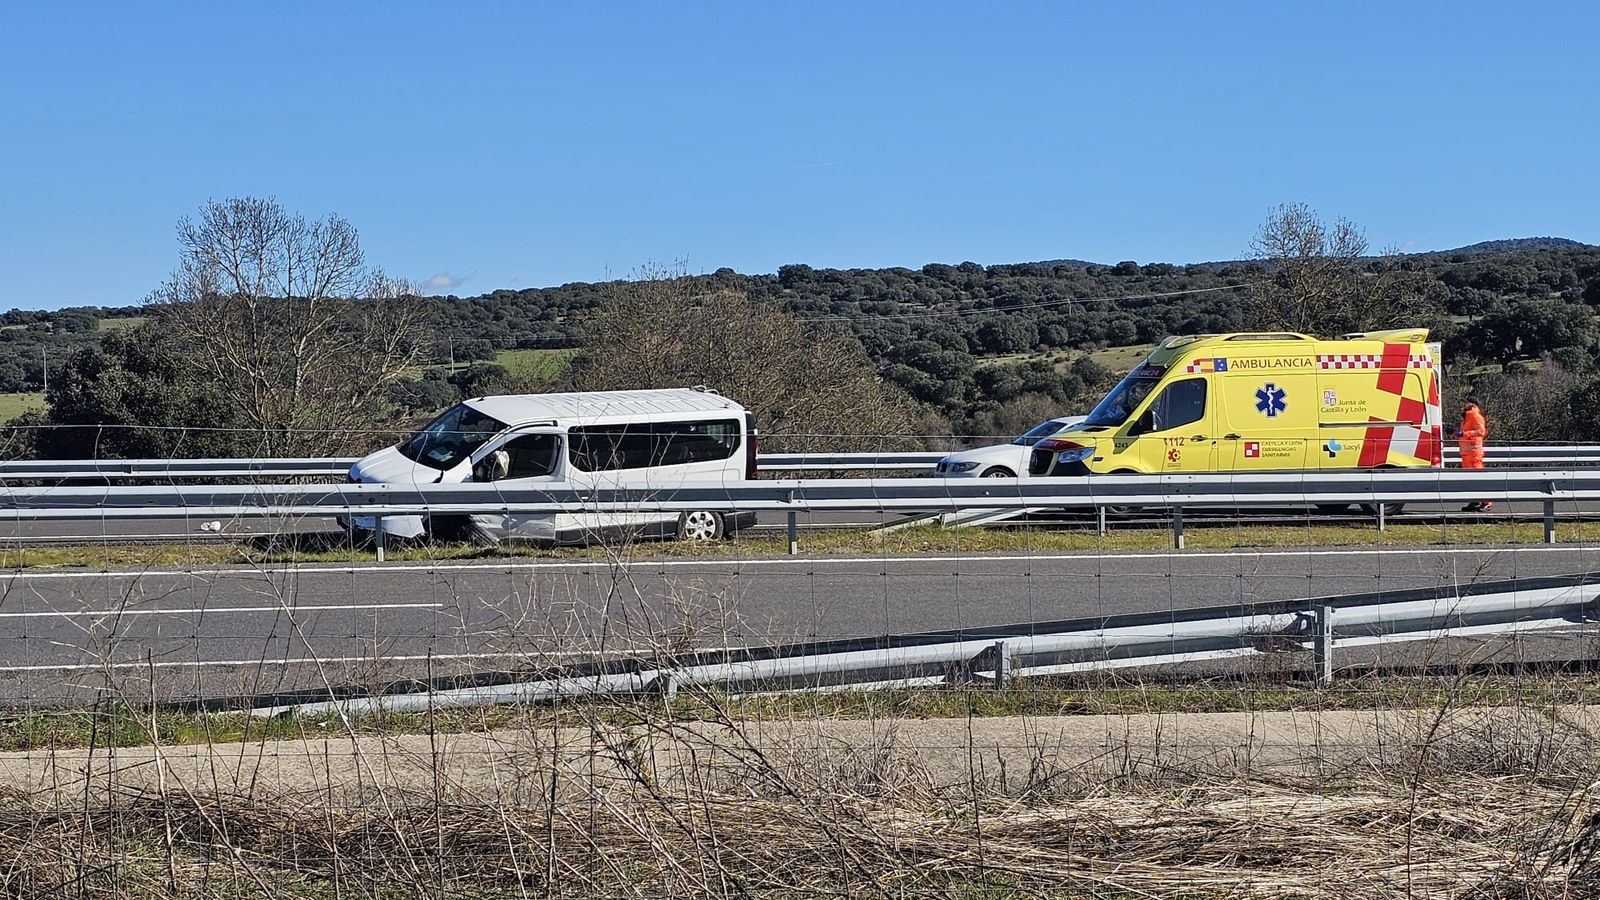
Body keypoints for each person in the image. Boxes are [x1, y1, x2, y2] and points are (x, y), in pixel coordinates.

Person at [1456, 396, 1491, 512]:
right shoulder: (1467, 417)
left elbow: (1481, 432)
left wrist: (1464, 434)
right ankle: (1475, 501)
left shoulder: (1475, 416)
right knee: (1470, 479)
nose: (1464, 405)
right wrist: (1455, 433)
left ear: (1473, 404)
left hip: (1474, 453)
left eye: (1466, 403)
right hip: (1467, 453)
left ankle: (1486, 502)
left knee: (1478, 478)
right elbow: (1464, 434)